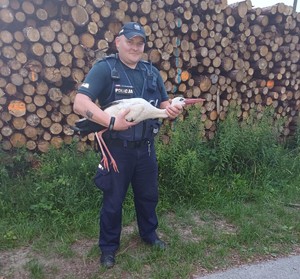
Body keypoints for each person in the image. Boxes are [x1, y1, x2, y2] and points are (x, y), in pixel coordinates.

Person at [73, 22, 183, 268]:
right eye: (130, 42)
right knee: (113, 201)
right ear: (118, 42)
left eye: (139, 43)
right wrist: (111, 122)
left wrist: (171, 109)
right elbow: (80, 103)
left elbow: (163, 104)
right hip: (117, 149)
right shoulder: (105, 68)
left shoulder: (150, 72)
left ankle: (149, 235)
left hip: (145, 148)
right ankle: (109, 248)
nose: (135, 47)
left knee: (148, 196)